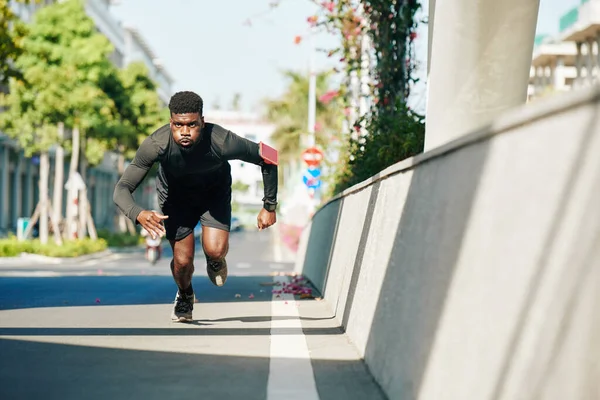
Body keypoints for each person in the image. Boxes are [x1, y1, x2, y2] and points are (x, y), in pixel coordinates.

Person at [113, 91, 278, 322]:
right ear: (171, 122)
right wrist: (137, 213)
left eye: (192, 124)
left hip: (213, 196)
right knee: (182, 262)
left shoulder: (221, 140)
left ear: (202, 120)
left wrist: (269, 206)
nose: (185, 131)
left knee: (215, 249)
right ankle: (185, 294)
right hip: (176, 199)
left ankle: (216, 261)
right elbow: (122, 188)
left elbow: (268, 156)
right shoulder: (156, 143)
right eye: (178, 125)